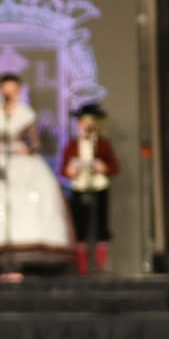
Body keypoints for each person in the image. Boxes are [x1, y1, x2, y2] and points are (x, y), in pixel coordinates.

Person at [0, 73, 74, 277]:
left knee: (26, 201)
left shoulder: (25, 113)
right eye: (6, 89)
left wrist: (27, 149)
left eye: (14, 89)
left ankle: (23, 253)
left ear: (19, 91)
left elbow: (36, 143)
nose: (10, 93)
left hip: (21, 162)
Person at [62, 103, 119, 274]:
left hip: (99, 188)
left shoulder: (102, 144)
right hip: (79, 189)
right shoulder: (72, 145)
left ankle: (99, 267)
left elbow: (114, 167)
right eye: (84, 122)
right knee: (80, 229)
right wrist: (71, 170)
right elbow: (64, 170)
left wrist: (103, 167)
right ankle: (82, 268)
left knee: (101, 228)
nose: (87, 126)